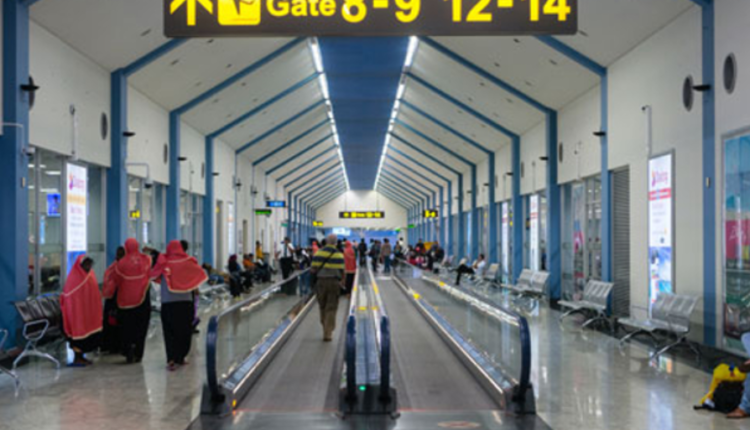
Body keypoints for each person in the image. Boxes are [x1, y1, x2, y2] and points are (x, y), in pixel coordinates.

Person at [151, 240, 208, 370]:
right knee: (184, 331)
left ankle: (171, 358)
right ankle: (181, 357)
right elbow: (196, 274)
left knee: (169, 332)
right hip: (185, 303)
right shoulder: (188, 261)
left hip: (168, 303)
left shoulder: (164, 262)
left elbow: (154, 274)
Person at [111, 238, 153, 364]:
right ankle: (138, 353)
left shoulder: (121, 263)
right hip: (143, 299)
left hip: (125, 301)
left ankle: (128, 350)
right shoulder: (146, 260)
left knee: (127, 328)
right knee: (141, 327)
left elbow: (116, 280)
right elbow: (150, 273)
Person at [60, 256, 102, 367]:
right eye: (86, 265)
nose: (88, 267)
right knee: (77, 335)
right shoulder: (74, 278)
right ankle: (77, 358)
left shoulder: (90, 275)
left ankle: (81, 356)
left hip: (87, 311)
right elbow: (70, 299)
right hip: (76, 313)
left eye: (90, 265)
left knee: (86, 336)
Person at [312, 234, 345, 341]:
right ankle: (328, 332)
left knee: (322, 305)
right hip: (334, 282)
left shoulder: (319, 252)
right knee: (331, 307)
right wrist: (342, 282)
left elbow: (313, 268)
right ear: (336, 242)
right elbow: (342, 271)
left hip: (321, 281)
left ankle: (324, 326)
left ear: (326, 241)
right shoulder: (339, 254)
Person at [101, 246, 125, 354]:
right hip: (117, 298)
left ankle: (110, 346)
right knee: (116, 322)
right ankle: (116, 346)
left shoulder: (112, 267)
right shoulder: (120, 267)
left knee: (111, 322)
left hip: (111, 298)